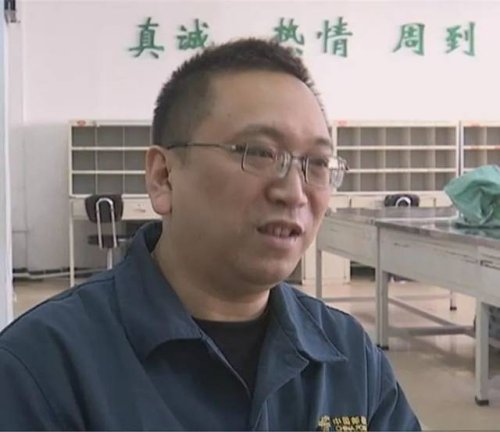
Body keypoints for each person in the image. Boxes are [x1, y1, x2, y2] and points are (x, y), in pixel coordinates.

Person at [0, 38, 421, 431]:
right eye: (259, 153)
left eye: (318, 163)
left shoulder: (349, 356)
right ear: (163, 177)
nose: (294, 193)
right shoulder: (42, 368)